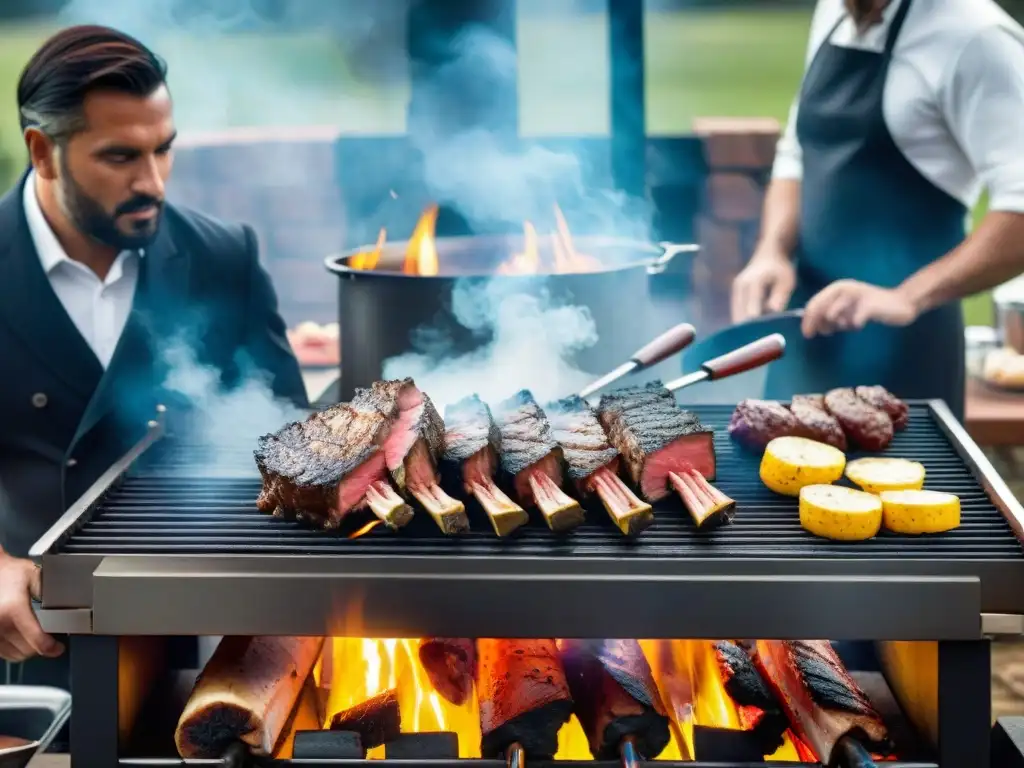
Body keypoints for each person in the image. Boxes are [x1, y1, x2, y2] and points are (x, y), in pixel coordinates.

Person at [0, 26, 308, 695]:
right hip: (34, 651)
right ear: (42, 152)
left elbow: (291, 445)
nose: (154, 182)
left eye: (163, 150)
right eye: (120, 157)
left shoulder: (224, 258)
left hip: (203, 653)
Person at [730, 0, 1024, 420]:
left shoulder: (978, 37)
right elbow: (799, 152)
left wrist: (906, 296)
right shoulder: (837, 9)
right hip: (807, 334)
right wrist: (771, 252)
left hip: (907, 357)